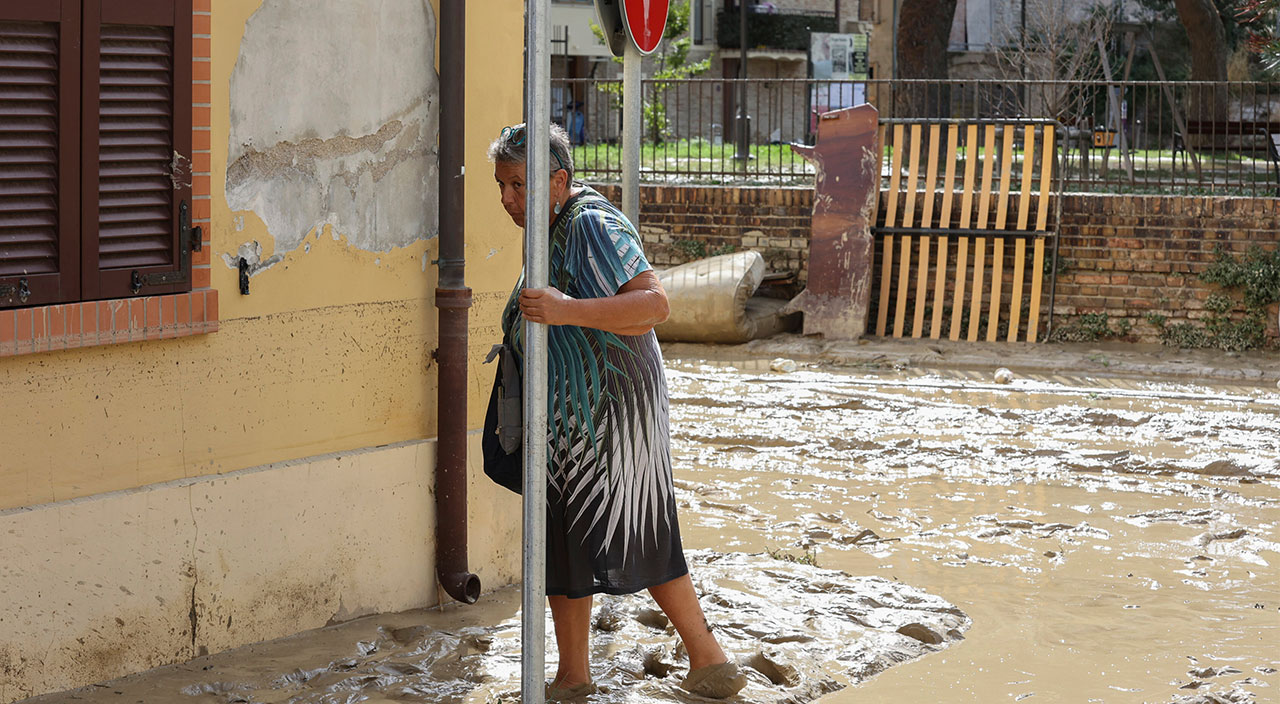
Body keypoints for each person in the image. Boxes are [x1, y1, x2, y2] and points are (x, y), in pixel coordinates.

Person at [487, 123, 747, 701]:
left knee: (642, 527)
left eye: (518, 185)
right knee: (563, 537)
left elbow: (654, 303)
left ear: (558, 181)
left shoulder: (591, 223)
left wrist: (565, 310)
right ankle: (575, 675)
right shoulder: (549, 226)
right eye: (501, 186)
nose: (506, 199)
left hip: (614, 415)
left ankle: (708, 658)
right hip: (570, 423)